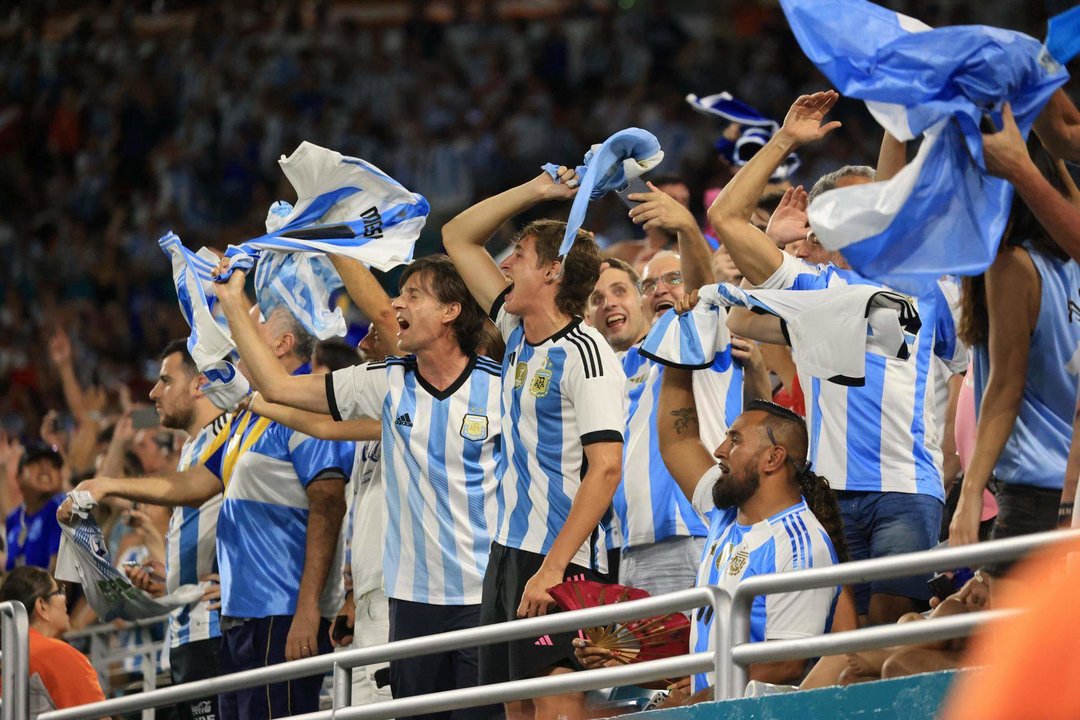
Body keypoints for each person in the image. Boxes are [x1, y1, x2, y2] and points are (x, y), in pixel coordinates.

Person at [710, 91, 966, 625]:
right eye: (853, 208)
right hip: (828, 494)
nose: (873, 214)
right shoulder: (817, 289)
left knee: (893, 635)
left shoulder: (936, 288)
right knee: (836, 645)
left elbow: (969, 372)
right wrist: (783, 145)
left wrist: (959, 465)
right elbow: (726, 224)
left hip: (907, 490)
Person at [214, 254, 503, 720]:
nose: (397, 303)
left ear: (450, 311)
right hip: (410, 607)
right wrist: (231, 300)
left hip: (481, 598)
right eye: (399, 292)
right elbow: (279, 387)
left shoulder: (502, 388)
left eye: (413, 294)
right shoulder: (386, 383)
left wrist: (335, 240)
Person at [60, 304, 352, 720]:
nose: (235, 340)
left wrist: (308, 609)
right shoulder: (250, 417)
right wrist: (107, 485)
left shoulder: (308, 403)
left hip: (283, 610)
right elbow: (195, 485)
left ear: (283, 344)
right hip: (240, 613)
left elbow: (328, 501)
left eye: (250, 327)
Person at [443, 167, 626, 720]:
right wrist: (537, 191)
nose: (505, 264)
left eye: (518, 255)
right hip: (508, 550)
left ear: (551, 271)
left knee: (555, 699)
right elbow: (457, 235)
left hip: (564, 556)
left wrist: (553, 566)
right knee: (514, 706)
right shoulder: (518, 331)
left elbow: (606, 470)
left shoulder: (586, 353)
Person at [575, 363, 842, 702]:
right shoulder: (725, 514)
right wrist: (675, 350)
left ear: (773, 458)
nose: (719, 450)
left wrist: (691, 706)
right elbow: (678, 441)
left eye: (735, 440)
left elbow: (782, 668)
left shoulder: (800, 544)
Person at [586, 186, 769, 597]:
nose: (662, 290)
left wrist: (687, 227)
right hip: (631, 548)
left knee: (698, 658)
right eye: (650, 285)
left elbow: (703, 294)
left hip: (695, 533)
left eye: (673, 278)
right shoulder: (618, 366)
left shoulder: (706, 344)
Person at [949, 132, 1080, 561]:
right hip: (1068, 487)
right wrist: (1041, 149)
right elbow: (1065, 197)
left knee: (1007, 629)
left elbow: (1006, 388)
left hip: (1034, 493)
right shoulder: (1072, 259)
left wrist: (969, 493)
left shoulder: (1011, 267)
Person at [124, 339, 229, 720]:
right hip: (185, 632)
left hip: (215, 631)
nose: (154, 392)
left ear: (200, 383)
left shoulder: (229, 435)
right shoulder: (193, 445)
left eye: (165, 381)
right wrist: (169, 581)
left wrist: (240, 583)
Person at [0, 566, 107, 718]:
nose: (64, 598)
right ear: (41, 606)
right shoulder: (54, 653)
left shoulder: (8, 655)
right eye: (58, 593)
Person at [6, 444, 66, 573]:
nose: (46, 468)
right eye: (35, 462)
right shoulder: (14, 518)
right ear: (19, 478)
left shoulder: (62, 510)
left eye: (53, 465)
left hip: (48, 593)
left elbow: (62, 575)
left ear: (61, 477)